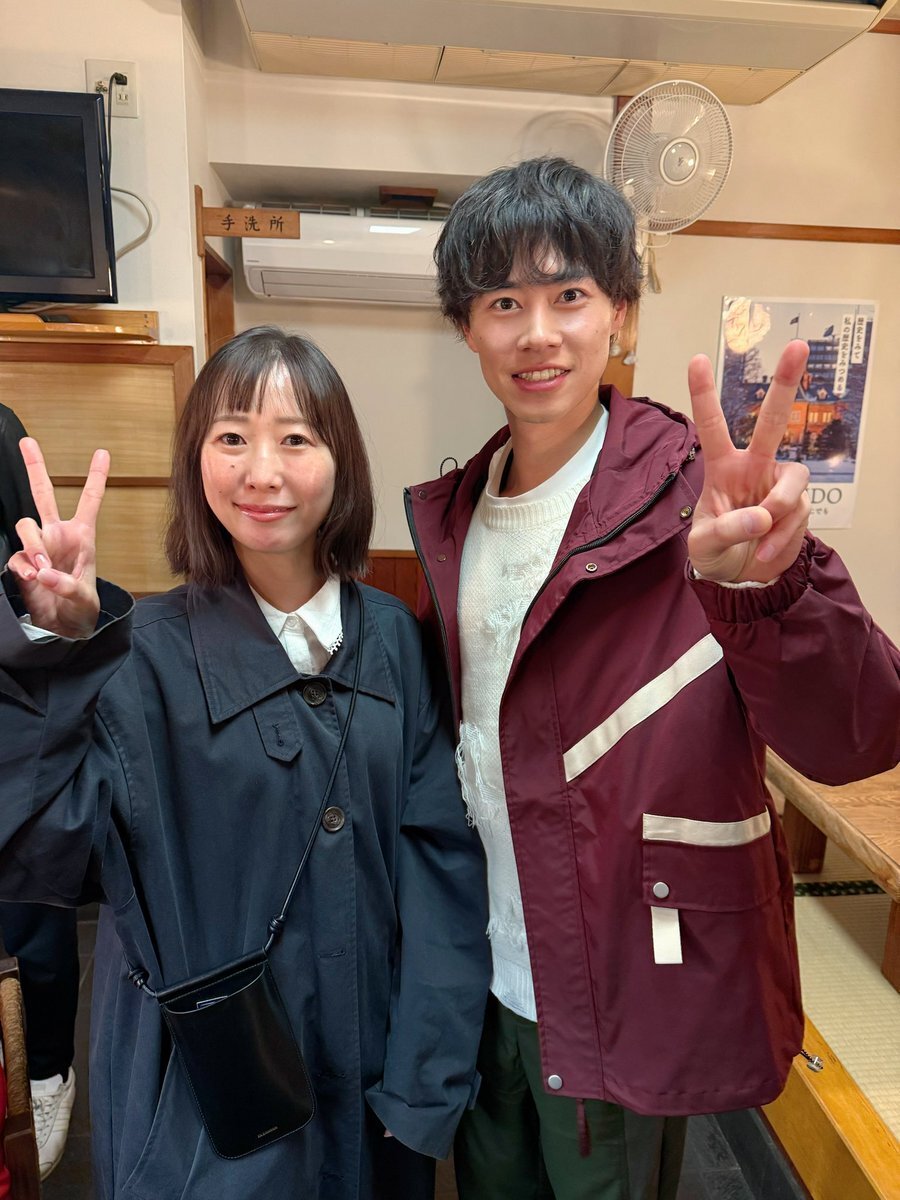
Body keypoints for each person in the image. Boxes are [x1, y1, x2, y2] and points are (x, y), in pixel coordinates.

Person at [405, 157, 900, 1200]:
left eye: (570, 295)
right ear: (467, 329)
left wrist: (771, 590)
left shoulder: (698, 506)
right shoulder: (453, 520)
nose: (538, 333)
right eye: (503, 303)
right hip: (482, 972)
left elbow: (858, 735)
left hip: (626, 979)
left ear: (620, 315)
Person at [0, 327, 490, 1199]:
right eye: (232, 437)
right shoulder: (137, 656)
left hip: (373, 1088)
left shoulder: (394, 641)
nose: (261, 472)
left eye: (295, 438)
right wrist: (56, 648)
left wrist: (424, 1084)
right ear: (197, 460)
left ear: (341, 463)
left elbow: (441, 874)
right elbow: (37, 852)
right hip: (196, 1107)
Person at [0, 402, 79, 1179]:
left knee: (32, 907)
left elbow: (34, 554)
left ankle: (49, 1069)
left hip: (12, 694)